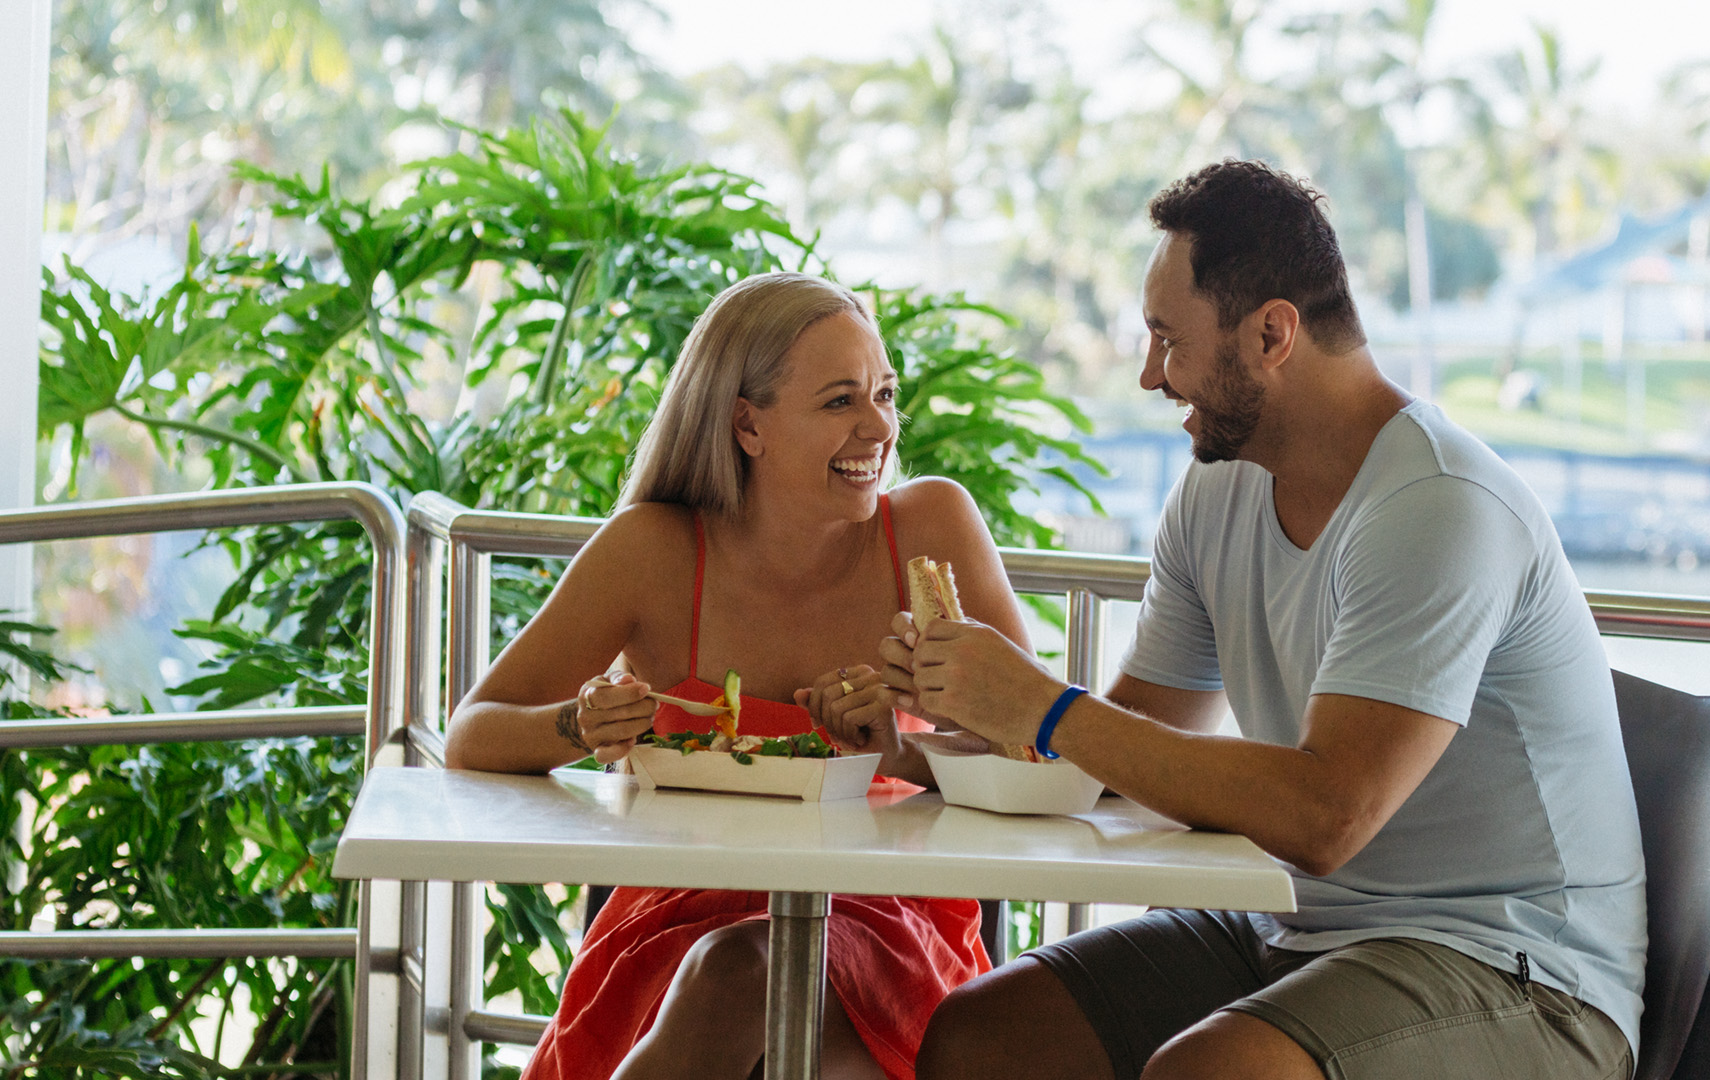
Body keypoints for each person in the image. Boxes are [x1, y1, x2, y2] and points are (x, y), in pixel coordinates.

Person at [888, 161, 1647, 1080]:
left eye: (1169, 340)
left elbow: (1326, 816)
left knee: (1212, 1076)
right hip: (1297, 928)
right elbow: (1136, 747)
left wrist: (1046, 707)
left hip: (1521, 976)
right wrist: (956, 730)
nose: (1147, 374)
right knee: (984, 1039)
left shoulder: (1435, 506)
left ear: (1272, 334)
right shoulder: (1216, 492)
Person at [443, 271, 1033, 1080]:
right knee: (734, 970)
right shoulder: (652, 550)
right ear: (746, 425)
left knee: (753, 977)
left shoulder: (932, 527)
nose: (879, 428)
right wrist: (577, 728)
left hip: (886, 916)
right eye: (839, 402)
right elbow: (472, 734)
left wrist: (895, 753)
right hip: (680, 918)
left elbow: (1037, 753)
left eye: (884, 394)